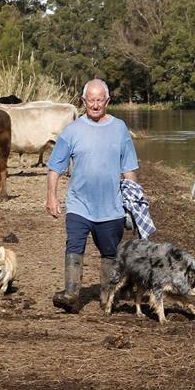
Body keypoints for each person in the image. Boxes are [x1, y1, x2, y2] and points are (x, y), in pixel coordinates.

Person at [45, 78, 139, 313]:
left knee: (109, 251)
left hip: (111, 207)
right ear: (83, 101)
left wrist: (133, 202)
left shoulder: (119, 129)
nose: (95, 105)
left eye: (99, 100)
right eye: (90, 100)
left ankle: (107, 296)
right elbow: (55, 166)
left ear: (107, 101)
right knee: (74, 244)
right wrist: (52, 196)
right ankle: (71, 293)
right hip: (79, 204)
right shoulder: (72, 131)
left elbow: (129, 168)